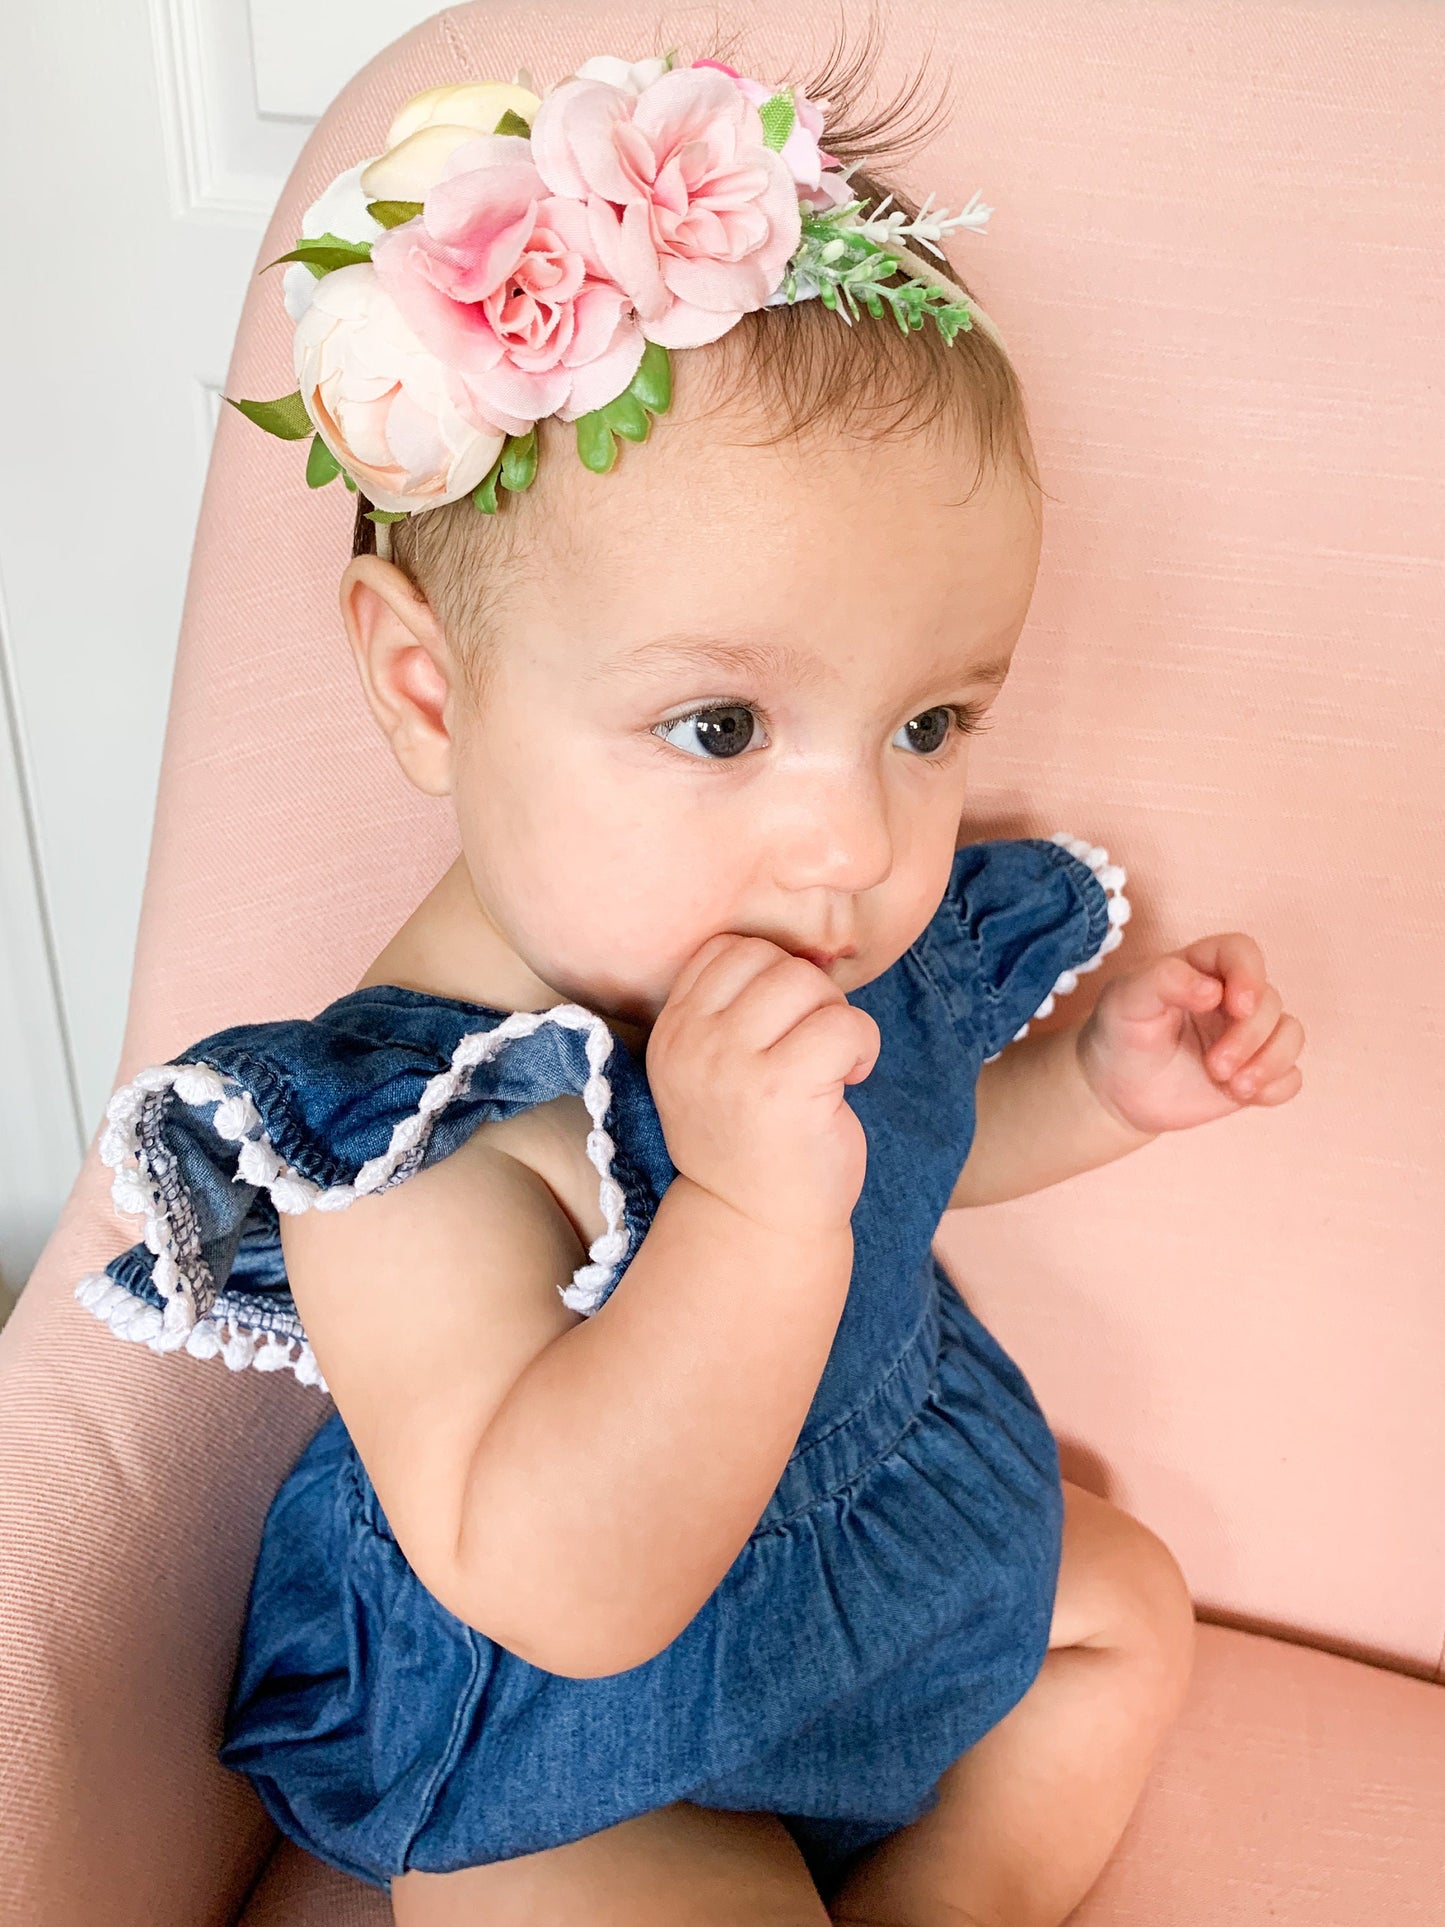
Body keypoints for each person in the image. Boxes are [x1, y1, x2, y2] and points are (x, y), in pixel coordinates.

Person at [75, 33, 1306, 1927]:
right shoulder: (397, 1141)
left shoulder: (798, 938)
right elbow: (557, 1579)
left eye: (925, 721)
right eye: (722, 723)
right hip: (564, 1732)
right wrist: (741, 1211)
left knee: (1122, 1614)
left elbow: (903, 1154)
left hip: (881, 1564)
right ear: (429, 688)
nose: (854, 842)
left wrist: (1091, 1097)